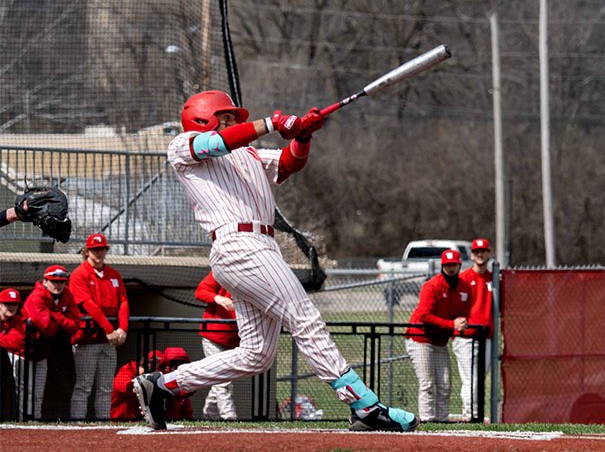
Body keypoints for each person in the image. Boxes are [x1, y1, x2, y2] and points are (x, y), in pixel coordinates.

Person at [132, 90, 418, 432]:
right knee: (305, 318)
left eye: (233, 118)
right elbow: (217, 143)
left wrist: (303, 136)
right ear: (202, 117)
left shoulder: (247, 154)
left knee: (257, 354)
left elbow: (287, 163)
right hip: (239, 244)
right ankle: (364, 405)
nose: (232, 122)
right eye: (224, 117)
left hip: (258, 246)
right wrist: (273, 122)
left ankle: (163, 386)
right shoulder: (183, 146)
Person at [405, 249, 472, 422]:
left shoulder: (464, 288)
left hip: (440, 341)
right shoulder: (432, 285)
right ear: (442, 266)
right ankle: (427, 420)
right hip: (420, 338)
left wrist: (462, 323)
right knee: (427, 383)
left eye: (454, 265)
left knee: (444, 384)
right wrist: (452, 325)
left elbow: (463, 314)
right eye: (447, 265)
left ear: (459, 265)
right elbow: (424, 315)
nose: (451, 268)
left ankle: (442, 420)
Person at [69, 233, 130, 420]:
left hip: (109, 339)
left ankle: (103, 423)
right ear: (87, 252)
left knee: (105, 387)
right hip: (88, 339)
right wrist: (110, 330)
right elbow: (89, 305)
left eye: (102, 248)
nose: (99, 252)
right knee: (84, 386)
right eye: (95, 249)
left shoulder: (113, 274)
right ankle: (77, 424)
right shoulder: (79, 274)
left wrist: (123, 329)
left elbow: (123, 301)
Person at [12, 265, 80, 420]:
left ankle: (35, 419)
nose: (58, 285)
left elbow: (74, 326)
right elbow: (47, 328)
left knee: (38, 391)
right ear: (45, 282)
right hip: (24, 349)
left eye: (62, 281)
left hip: (43, 352)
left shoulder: (67, 295)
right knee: (24, 390)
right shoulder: (37, 296)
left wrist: (54, 314)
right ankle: (22, 421)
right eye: (54, 281)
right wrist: (62, 318)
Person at [451, 238, 494, 421]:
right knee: (471, 378)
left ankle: (475, 412)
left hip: (487, 336)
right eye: (477, 251)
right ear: (471, 255)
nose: (480, 254)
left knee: (479, 378)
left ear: (488, 253)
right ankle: (470, 414)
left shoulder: (494, 278)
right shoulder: (464, 278)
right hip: (467, 336)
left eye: (483, 251)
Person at [195, 271, 239, 420]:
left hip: (234, 340)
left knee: (220, 379)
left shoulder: (254, 274)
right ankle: (229, 416)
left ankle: (209, 415)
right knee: (222, 378)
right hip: (213, 336)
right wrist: (217, 298)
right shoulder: (222, 270)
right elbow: (200, 292)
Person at [111, 350, 161, 421]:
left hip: (140, 418)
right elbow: (121, 386)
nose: (152, 365)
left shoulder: (156, 374)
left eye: (157, 363)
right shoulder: (129, 369)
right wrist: (141, 383)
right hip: (121, 417)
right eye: (150, 362)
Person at [0, 288, 25, 420]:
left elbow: (15, 343)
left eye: (14, 304)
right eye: (7, 303)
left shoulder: (17, 321)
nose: (11, 307)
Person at [157, 347, 194, 421]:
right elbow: (170, 395)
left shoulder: (183, 383)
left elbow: (187, 410)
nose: (179, 369)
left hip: (175, 422)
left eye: (182, 365)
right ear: (167, 367)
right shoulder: (159, 379)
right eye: (176, 366)